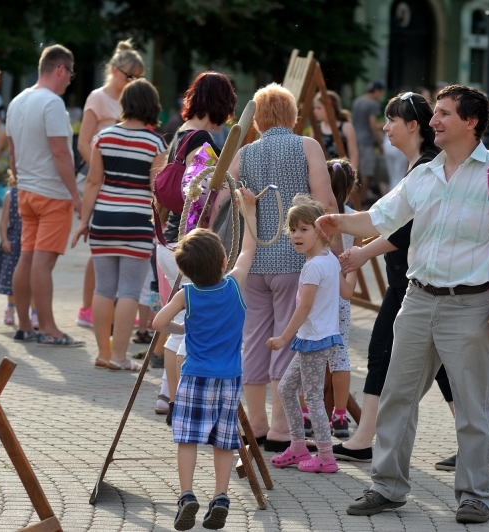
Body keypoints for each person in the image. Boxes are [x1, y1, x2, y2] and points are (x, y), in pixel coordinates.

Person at [318, 85, 489, 524]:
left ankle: (474, 495)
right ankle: (387, 487)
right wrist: (336, 220)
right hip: (417, 300)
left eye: (443, 114)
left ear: (471, 122)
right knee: (398, 397)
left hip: (472, 305)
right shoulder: (424, 174)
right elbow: (381, 218)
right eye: (434, 113)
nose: (433, 121)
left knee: (474, 406)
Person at [333, 91, 456, 471]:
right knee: (438, 367)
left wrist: (362, 251)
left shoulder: (429, 166)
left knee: (382, 352)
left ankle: (364, 439)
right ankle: (470, 439)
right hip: (411, 280)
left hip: (416, 283)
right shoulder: (422, 164)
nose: (385, 127)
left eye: (392, 120)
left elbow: (403, 230)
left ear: (412, 126)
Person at [225, 83, 337, 453]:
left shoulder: (245, 153)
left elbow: (224, 195)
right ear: (292, 116)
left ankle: (254, 423)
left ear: (256, 120)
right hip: (294, 259)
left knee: (255, 340)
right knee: (287, 339)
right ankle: (280, 427)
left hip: (253, 259)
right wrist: (335, 250)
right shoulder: (307, 147)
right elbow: (325, 198)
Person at [151, 189, 258, 532]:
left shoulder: (187, 294)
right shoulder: (233, 286)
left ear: (185, 270)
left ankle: (186, 495)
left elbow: (156, 324)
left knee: (187, 438)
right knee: (224, 441)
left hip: (195, 375)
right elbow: (249, 250)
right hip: (229, 378)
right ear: (223, 262)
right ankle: (221, 496)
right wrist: (248, 212)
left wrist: (181, 325)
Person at [155, 71, 237, 426]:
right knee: (189, 335)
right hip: (186, 241)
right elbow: (196, 188)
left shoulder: (182, 132)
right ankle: (183, 405)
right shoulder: (203, 137)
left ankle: (173, 402)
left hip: (169, 239)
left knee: (179, 327)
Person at [71, 79, 166, 370]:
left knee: (104, 288)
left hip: (104, 219)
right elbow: (157, 191)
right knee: (128, 290)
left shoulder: (104, 136)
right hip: (137, 223)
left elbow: (93, 181)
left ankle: (102, 353)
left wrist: (85, 221)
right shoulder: (156, 143)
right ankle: (120, 356)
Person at [268, 195, 355, 474]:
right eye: (293, 230)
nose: (296, 235)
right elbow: (347, 292)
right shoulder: (327, 259)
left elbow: (304, 307)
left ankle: (326, 457)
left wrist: (283, 338)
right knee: (286, 389)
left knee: (314, 397)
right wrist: (350, 267)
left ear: (320, 232)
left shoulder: (314, 266)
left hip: (314, 339)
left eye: (304, 229)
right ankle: (297, 446)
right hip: (317, 337)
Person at [7, 44, 84, 346]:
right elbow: (61, 154)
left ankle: (24, 325)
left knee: (26, 259)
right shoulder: (52, 104)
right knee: (43, 263)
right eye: (70, 74)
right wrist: (76, 196)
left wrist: (20, 182)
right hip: (52, 194)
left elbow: (12, 153)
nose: (69, 81)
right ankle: (49, 328)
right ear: (60, 69)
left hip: (25, 190)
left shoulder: (17, 101)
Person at [75, 40, 144, 328]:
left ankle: (115, 307)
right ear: (114, 70)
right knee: (101, 247)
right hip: (100, 179)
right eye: (129, 76)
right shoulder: (98, 98)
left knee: (119, 246)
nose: (133, 82)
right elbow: (82, 143)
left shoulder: (133, 101)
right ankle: (89, 307)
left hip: (124, 182)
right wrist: (102, 171)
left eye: (138, 78)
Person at [323, 159, 359, 439]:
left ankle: (307, 414)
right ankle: (339, 415)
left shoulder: (316, 216)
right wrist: (348, 292)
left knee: (307, 353)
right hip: (341, 295)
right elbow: (353, 265)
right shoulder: (353, 219)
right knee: (340, 355)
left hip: (316, 292)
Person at [0, 175, 21, 324]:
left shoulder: (36, 194)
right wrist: (5, 240)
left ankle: (34, 312)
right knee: (11, 278)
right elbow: (3, 221)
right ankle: (10, 307)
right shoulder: (11, 195)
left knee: (32, 279)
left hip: (30, 241)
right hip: (14, 242)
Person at [351, 81, 385, 202]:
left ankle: (352, 198)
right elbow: (372, 124)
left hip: (355, 140)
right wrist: (380, 142)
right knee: (367, 172)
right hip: (367, 142)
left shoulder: (357, 101)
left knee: (355, 170)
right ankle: (361, 200)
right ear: (377, 91)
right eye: (381, 92)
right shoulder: (372, 104)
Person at [312, 91, 359, 171]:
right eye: (315, 108)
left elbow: (353, 154)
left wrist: (352, 176)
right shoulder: (316, 129)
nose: (315, 111)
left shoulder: (345, 126)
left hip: (342, 174)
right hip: (323, 173)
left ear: (330, 108)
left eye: (319, 108)